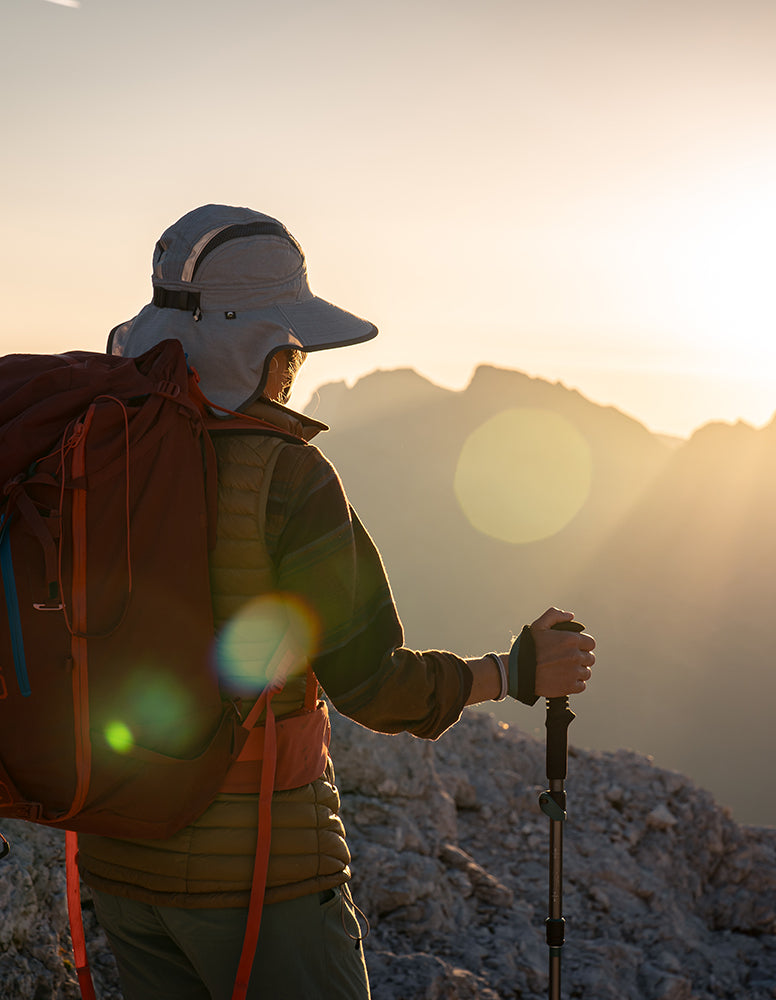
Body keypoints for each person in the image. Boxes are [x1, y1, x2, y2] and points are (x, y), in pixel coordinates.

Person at [76, 204, 596, 1000]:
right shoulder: (290, 477)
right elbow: (372, 686)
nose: (294, 369)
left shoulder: (98, 451)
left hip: (120, 866)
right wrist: (511, 672)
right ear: (256, 350)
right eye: (289, 349)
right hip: (258, 878)